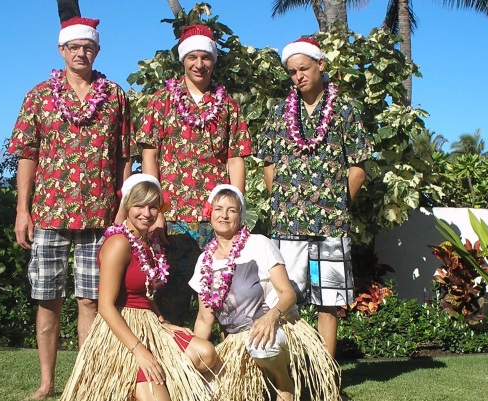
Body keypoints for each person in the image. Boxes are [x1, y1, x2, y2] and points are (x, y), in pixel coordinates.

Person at [7, 16, 132, 400]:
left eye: (88, 47)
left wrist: (122, 208)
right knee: (48, 299)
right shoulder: (39, 96)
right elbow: (27, 155)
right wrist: (22, 210)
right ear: (61, 50)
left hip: (100, 213)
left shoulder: (114, 96)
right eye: (74, 47)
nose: (81, 53)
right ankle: (47, 383)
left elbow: (124, 156)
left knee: (92, 300)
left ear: (97, 50)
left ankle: (84, 382)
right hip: (49, 212)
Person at [257, 37, 373, 359]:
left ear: (320, 65)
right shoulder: (279, 113)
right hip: (287, 224)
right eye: (292, 72)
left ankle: (325, 376)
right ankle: (290, 373)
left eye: (304, 68)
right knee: (284, 300)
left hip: (331, 226)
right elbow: (269, 164)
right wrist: (286, 203)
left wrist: (335, 205)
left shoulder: (345, 111)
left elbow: (358, 169)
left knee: (329, 302)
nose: (298, 76)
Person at [61, 174, 220, 401]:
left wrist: (163, 323)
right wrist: (139, 350)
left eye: (153, 207)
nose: (146, 213)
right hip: (121, 329)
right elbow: (105, 306)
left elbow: (145, 293)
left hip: (150, 323)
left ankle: (163, 385)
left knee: (206, 353)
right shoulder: (118, 243)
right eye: (139, 206)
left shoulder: (150, 243)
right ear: (127, 205)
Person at [137, 24, 251, 325]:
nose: (199, 64)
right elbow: (150, 156)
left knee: (224, 298)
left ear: (213, 60)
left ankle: (225, 354)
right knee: (170, 299)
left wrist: (235, 210)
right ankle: (169, 355)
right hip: (171, 217)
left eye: (205, 57)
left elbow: (235, 158)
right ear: (183, 60)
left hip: (216, 218)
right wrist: (156, 210)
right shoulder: (161, 101)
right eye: (192, 57)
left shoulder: (228, 106)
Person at [190, 185, 340, 401]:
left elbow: (288, 293)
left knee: (261, 346)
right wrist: (195, 355)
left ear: (241, 216)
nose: (224, 215)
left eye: (232, 210)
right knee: (208, 392)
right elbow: (205, 319)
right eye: (218, 209)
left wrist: (271, 318)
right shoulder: (204, 261)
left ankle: (284, 383)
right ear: (210, 214)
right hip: (235, 342)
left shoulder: (259, 244)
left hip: (275, 327)